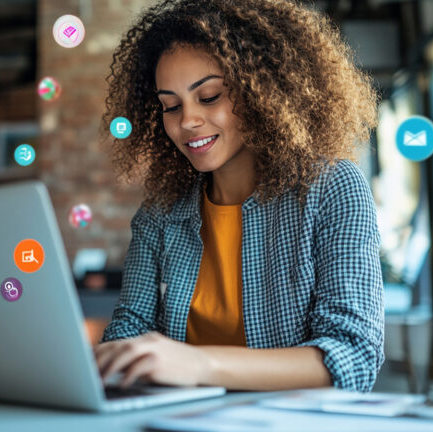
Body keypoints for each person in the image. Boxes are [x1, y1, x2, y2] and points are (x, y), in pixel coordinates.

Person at [95, 0, 383, 392]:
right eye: (170, 106)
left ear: (263, 91)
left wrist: (201, 363)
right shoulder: (160, 214)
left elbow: (353, 355)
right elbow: (128, 331)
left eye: (209, 96)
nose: (187, 121)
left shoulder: (332, 188)